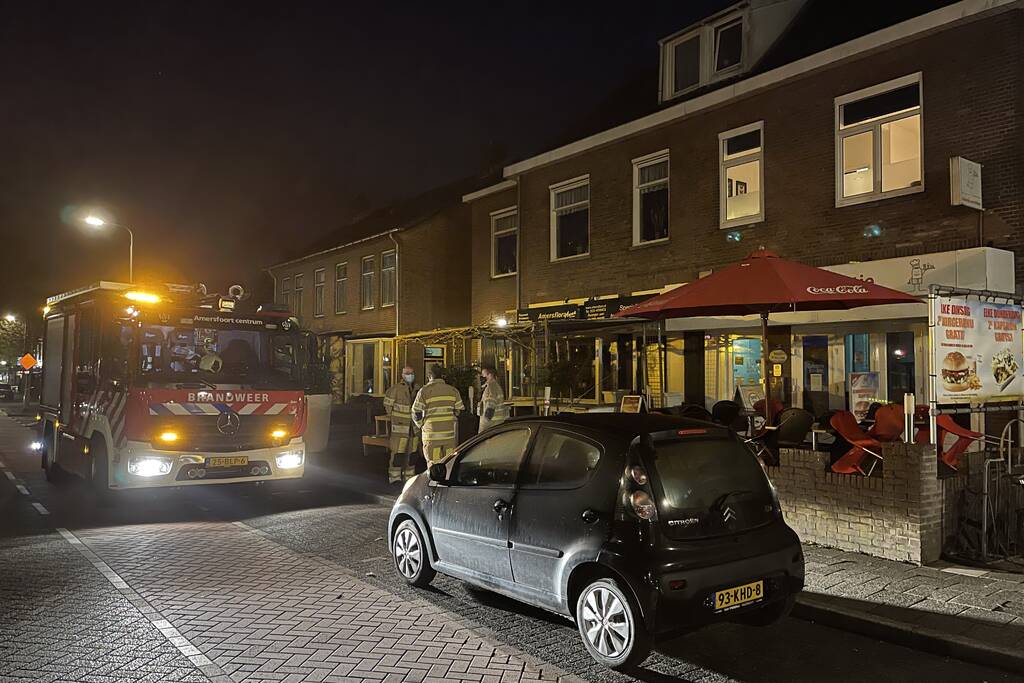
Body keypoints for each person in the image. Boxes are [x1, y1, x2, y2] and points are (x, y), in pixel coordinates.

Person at [412, 364, 464, 465]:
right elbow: (458, 411)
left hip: (432, 436)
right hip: (449, 436)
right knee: (448, 464)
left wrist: (421, 424)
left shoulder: (424, 391)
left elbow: (416, 412)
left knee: (434, 466)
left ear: (430, 375)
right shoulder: (453, 390)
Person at [383, 366, 419, 484]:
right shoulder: (395, 389)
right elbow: (387, 405)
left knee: (412, 454)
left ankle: (409, 478)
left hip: (413, 429)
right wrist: (394, 418)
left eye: (411, 373)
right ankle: (395, 478)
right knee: (398, 454)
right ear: (402, 375)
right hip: (400, 428)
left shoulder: (418, 389)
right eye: (407, 373)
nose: (410, 375)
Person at [476, 365, 508, 432]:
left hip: (491, 425)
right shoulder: (495, 386)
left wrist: (484, 426)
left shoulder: (491, 387)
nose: (482, 377)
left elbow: (490, 408)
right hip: (496, 423)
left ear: (490, 374)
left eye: (484, 375)